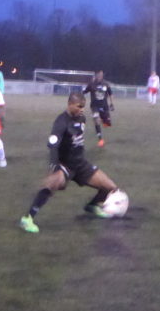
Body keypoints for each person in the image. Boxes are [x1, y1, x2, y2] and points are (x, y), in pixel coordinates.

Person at [19, 92, 124, 234]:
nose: (82, 109)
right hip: (65, 165)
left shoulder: (82, 118)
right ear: (69, 104)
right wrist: (54, 167)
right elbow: (53, 145)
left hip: (80, 164)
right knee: (52, 184)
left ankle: (92, 206)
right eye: (79, 106)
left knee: (110, 187)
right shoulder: (61, 121)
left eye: (83, 106)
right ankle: (27, 218)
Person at [82, 70, 115, 147]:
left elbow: (110, 94)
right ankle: (100, 139)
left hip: (104, 106)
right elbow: (85, 91)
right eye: (99, 74)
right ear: (96, 75)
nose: (100, 76)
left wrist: (112, 104)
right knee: (96, 119)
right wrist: (79, 95)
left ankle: (105, 121)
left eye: (101, 75)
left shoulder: (106, 84)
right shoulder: (91, 84)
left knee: (107, 123)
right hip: (94, 106)